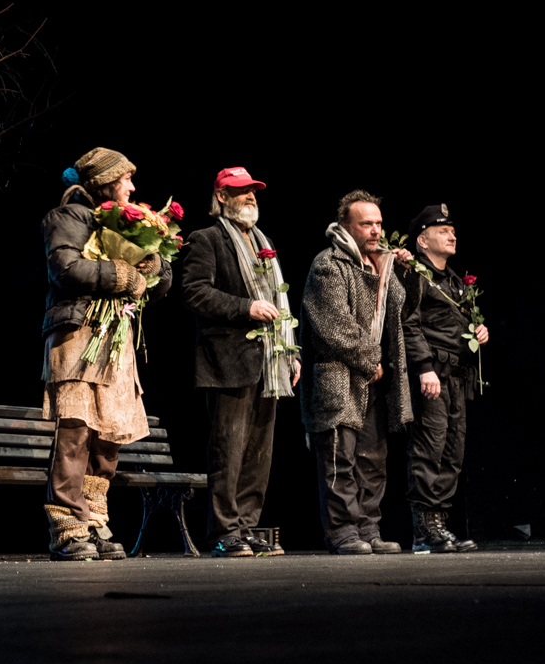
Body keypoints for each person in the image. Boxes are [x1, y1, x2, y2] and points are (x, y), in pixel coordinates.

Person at [39, 148, 174, 561]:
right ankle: (66, 526)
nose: (132, 187)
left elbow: (163, 281)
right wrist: (122, 273)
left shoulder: (126, 222)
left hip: (116, 335)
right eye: (125, 179)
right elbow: (65, 268)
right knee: (76, 430)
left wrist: (151, 266)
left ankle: (94, 520)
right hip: (78, 333)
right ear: (104, 183)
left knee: (108, 435)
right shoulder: (69, 216)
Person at [178, 166, 299, 558]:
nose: (250, 196)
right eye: (240, 190)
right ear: (221, 196)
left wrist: (291, 352)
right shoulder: (207, 239)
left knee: (258, 455)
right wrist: (246, 307)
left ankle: (246, 527)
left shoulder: (264, 242)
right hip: (228, 361)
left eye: (253, 191)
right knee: (227, 452)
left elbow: (279, 302)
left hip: (270, 362)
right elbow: (195, 292)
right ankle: (224, 531)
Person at [298, 189, 412, 555]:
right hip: (339, 377)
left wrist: (396, 269)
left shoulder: (378, 263)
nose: (376, 230)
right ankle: (343, 532)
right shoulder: (328, 264)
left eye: (379, 223)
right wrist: (370, 360)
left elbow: (400, 308)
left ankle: (368, 529)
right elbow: (334, 326)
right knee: (339, 459)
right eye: (366, 224)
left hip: (373, 379)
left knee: (373, 461)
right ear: (346, 226)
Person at [401, 204, 486, 553]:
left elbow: (455, 324)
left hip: (457, 377)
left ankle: (440, 523)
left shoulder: (453, 280)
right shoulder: (416, 275)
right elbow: (408, 324)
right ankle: (424, 530)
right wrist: (424, 367)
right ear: (422, 240)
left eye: (452, 230)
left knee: (453, 451)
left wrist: (477, 330)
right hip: (433, 374)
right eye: (442, 231)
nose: (452, 235)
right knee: (429, 449)